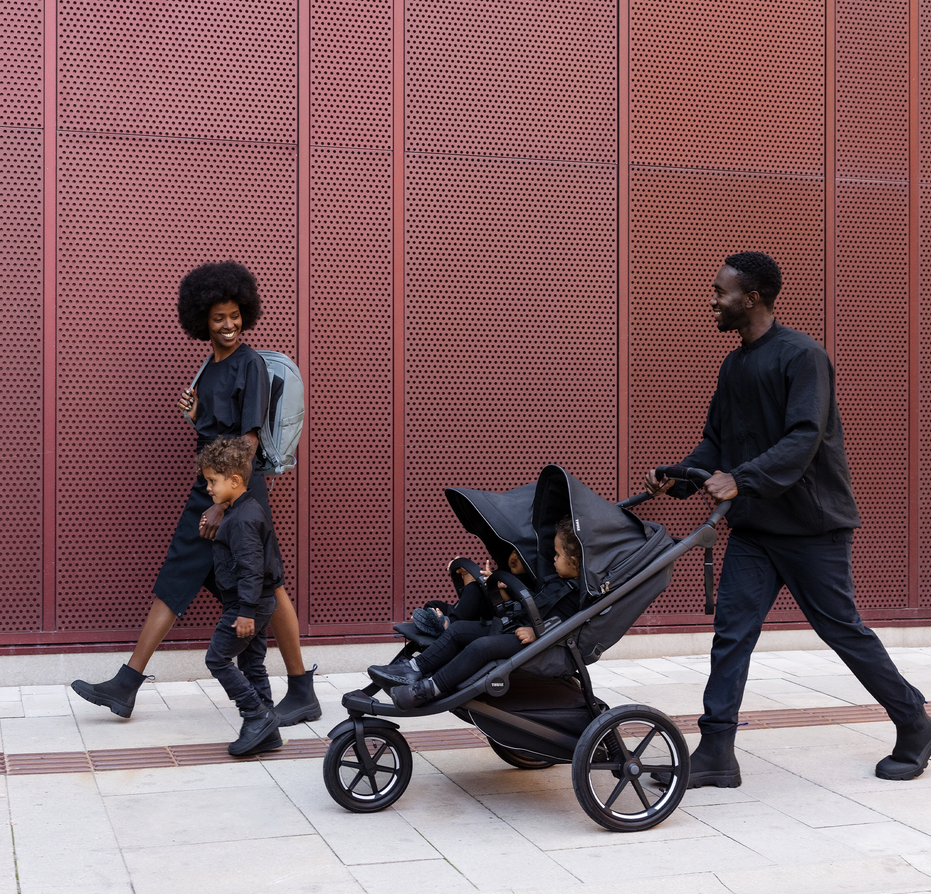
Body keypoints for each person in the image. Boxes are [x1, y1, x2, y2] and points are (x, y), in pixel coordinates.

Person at [645, 251, 931, 787]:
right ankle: (717, 751)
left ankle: (916, 723)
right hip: (757, 529)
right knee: (731, 634)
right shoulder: (734, 363)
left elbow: (803, 438)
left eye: (721, 292)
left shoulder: (802, 356)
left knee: (842, 632)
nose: (713, 300)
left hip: (813, 528)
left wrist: (740, 479)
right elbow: (717, 441)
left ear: (753, 296)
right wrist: (683, 475)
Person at [70, 261, 320, 725]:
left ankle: (302, 689)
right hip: (210, 485)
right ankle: (127, 683)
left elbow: (245, 443)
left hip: (240, 490)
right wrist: (196, 416)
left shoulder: (251, 365)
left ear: (245, 311)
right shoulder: (210, 367)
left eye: (234, 315)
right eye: (218, 317)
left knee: (268, 582)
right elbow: (214, 432)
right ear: (201, 320)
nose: (228, 325)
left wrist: (223, 505)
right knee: (179, 573)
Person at [371, 520, 582, 709]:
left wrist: (538, 633)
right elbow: (537, 605)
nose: (553, 559)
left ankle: (426, 690)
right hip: (518, 627)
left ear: (573, 561)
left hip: (539, 642)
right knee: (459, 630)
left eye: (557, 555)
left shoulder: (576, 594)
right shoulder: (556, 581)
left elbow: (571, 623)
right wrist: (506, 595)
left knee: (482, 647)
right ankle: (412, 669)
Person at [197, 438, 284, 755]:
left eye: (212, 481)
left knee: (217, 658)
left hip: (248, 605)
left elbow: (251, 568)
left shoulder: (243, 519)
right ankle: (268, 728)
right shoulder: (243, 509)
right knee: (252, 664)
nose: (208, 488)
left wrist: (245, 611)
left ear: (234, 481)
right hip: (258, 602)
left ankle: (255, 715)